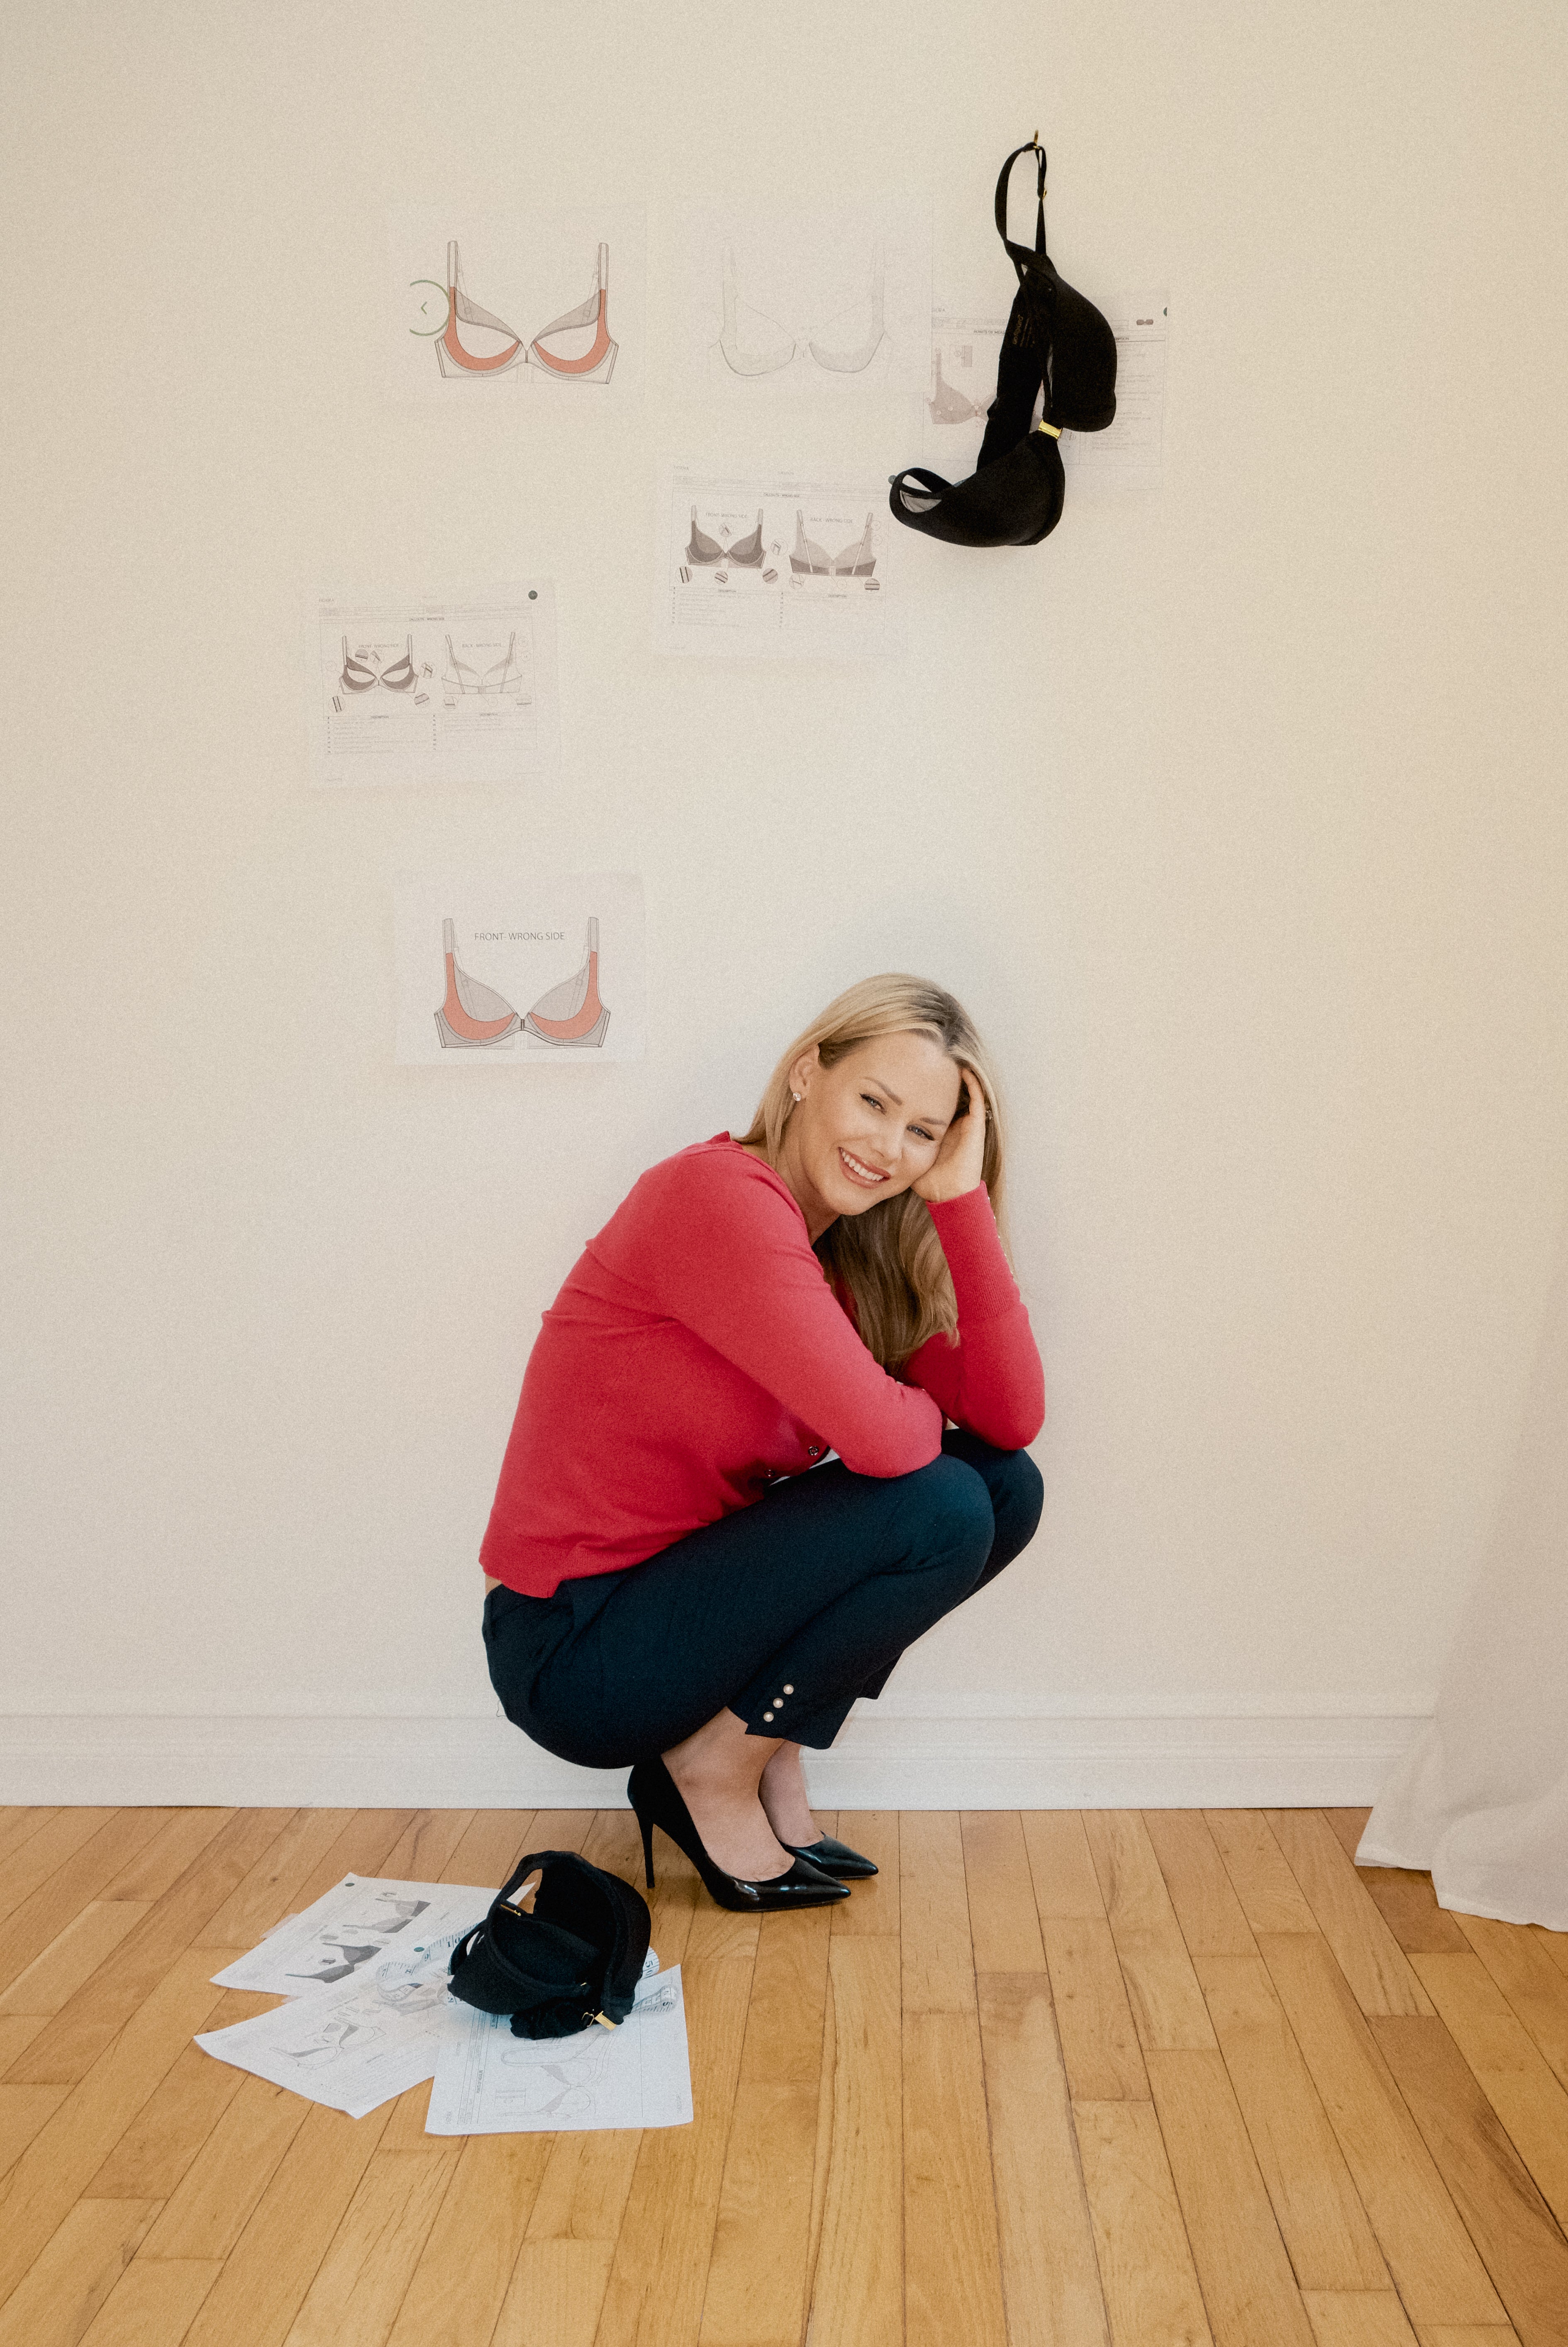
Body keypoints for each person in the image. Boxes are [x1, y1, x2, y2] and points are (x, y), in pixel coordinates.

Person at [480, 975, 1045, 1911]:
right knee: (941, 1503)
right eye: (874, 1102)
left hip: (685, 1608)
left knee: (1004, 1486)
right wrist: (893, 1406)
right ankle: (715, 1771)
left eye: (922, 1132)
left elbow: (1010, 1421)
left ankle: (755, 1753)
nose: (887, 1149)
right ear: (805, 1073)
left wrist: (960, 1200)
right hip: (575, 1645)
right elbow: (886, 1444)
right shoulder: (718, 1198)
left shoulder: (850, 1251)